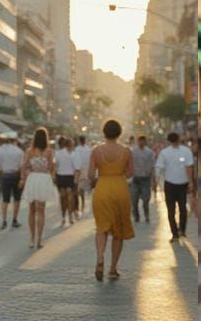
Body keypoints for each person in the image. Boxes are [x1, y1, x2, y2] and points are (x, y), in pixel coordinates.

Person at [88, 119, 134, 281]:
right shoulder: (126, 151)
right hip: (120, 189)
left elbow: (90, 174)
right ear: (119, 133)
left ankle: (100, 257)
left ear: (104, 132)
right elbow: (130, 173)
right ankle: (113, 268)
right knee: (118, 232)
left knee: (101, 228)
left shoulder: (96, 151)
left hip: (102, 188)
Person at [155, 132, 195, 243]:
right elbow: (189, 167)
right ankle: (181, 230)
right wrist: (191, 182)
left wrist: (156, 182)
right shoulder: (186, 151)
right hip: (182, 184)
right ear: (179, 139)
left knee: (171, 211)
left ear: (168, 140)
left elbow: (158, 169)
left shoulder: (164, 153)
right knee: (183, 209)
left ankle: (175, 234)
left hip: (170, 185)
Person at [20, 128, 56, 250]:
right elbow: (51, 167)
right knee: (41, 211)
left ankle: (31, 239)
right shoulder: (49, 151)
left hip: (32, 179)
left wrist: (23, 179)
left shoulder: (30, 151)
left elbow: (24, 166)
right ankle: (39, 240)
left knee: (31, 210)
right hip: (44, 179)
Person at [0, 136, 25, 230]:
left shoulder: (0, 150)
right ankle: (14, 220)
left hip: (5, 175)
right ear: (14, 141)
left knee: (5, 200)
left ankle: (4, 221)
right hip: (16, 175)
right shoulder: (19, 151)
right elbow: (21, 166)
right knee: (16, 199)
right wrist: (22, 179)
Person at [129, 134, 155, 224]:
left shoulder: (150, 152)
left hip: (146, 179)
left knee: (146, 199)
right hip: (135, 178)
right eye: (140, 140)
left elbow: (152, 166)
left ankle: (146, 215)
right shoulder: (133, 152)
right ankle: (136, 216)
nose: (141, 142)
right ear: (137, 141)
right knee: (134, 200)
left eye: (143, 140)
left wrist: (153, 180)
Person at [54, 137, 77, 226]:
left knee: (70, 197)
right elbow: (55, 165)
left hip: (70, 177)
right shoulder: (58, 153)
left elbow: (76, 167)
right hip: (61, 177)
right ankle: (63, 216)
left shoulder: (74, 154)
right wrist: (54, 177)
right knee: (63, 197)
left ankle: (70, 216)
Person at [72, 135, 91, 215]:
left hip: (79, 171)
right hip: (85, 171)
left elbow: (75, 161)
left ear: (79, 141)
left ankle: (80, 205)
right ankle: (82, 204)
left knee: (78, 190)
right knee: (82, 190)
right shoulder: (88, 149)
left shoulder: (77, 149)